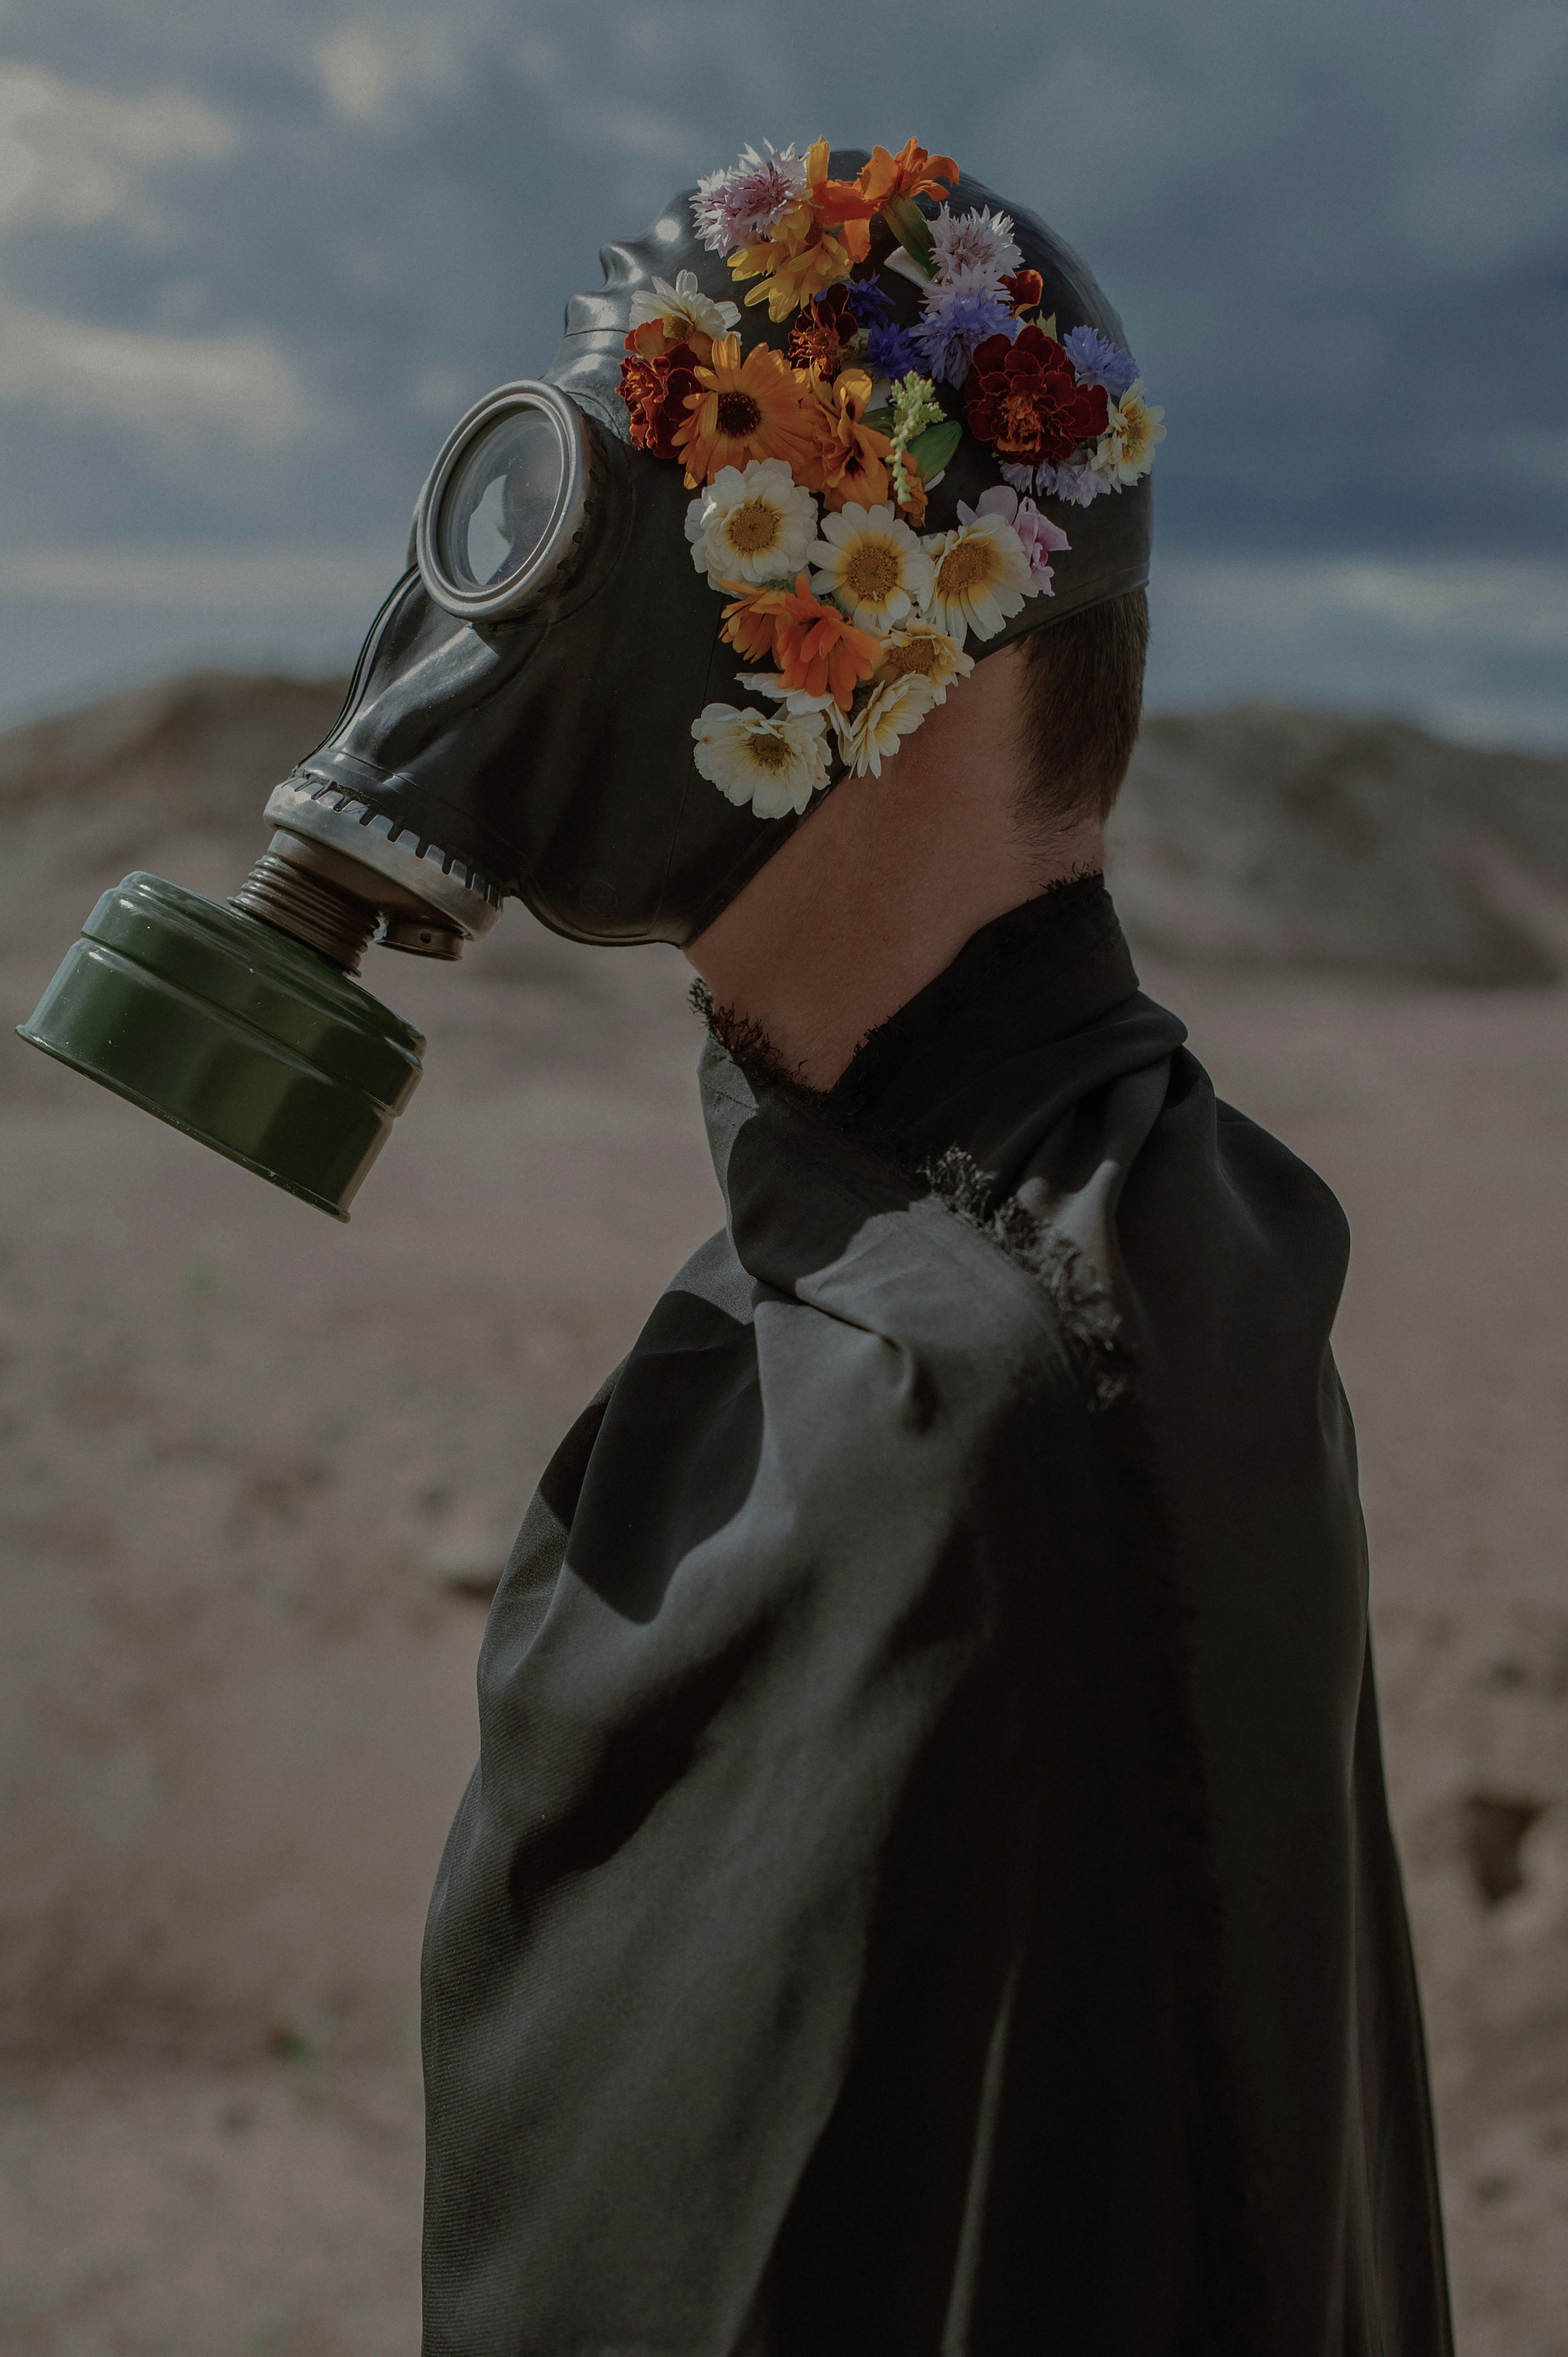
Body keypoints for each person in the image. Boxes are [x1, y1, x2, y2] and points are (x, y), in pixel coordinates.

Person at [417, 139, 1454, 2356]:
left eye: (646, 506)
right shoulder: (1118, 1244)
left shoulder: (954, 1398)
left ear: (869, 623)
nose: (530, 619)